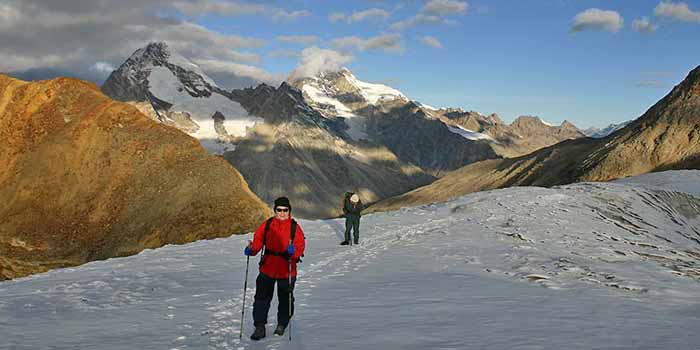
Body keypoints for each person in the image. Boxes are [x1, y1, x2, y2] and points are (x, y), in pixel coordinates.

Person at [244, 197, 306, 341]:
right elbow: (258, 242)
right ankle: (260, 326)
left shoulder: (294, 227)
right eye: (279, 210)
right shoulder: (267, 225)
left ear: (289, 211)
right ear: (275, 210)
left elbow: (300, 246)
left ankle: (282, 324)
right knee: (261, 298)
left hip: (287, 269)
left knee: (285, 299)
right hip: (268, 268)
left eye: (285, 210)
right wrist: (251, 250)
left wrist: (294, 252)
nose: (282, 213)